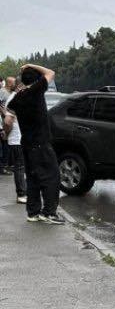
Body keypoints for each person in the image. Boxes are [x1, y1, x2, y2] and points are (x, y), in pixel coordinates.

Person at [8, 64, 63, 224]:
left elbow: (9, 113)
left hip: (26, 143)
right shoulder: (36, 90)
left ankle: (33, 213)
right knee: (52, 176)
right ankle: (49, 213)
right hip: (41, 143)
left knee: (33, 178)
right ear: (36, 79)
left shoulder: (18, 97)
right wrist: (30, 65)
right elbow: (51, 72)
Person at [1, 99, 26, 203]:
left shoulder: (17, 97)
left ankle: (23, 192)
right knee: (20, 167)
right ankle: (21, 194)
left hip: (19, 140)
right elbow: (7, 121)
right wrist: (6, 133)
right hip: (17, 140)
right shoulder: (15, 98)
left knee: (21, 167)